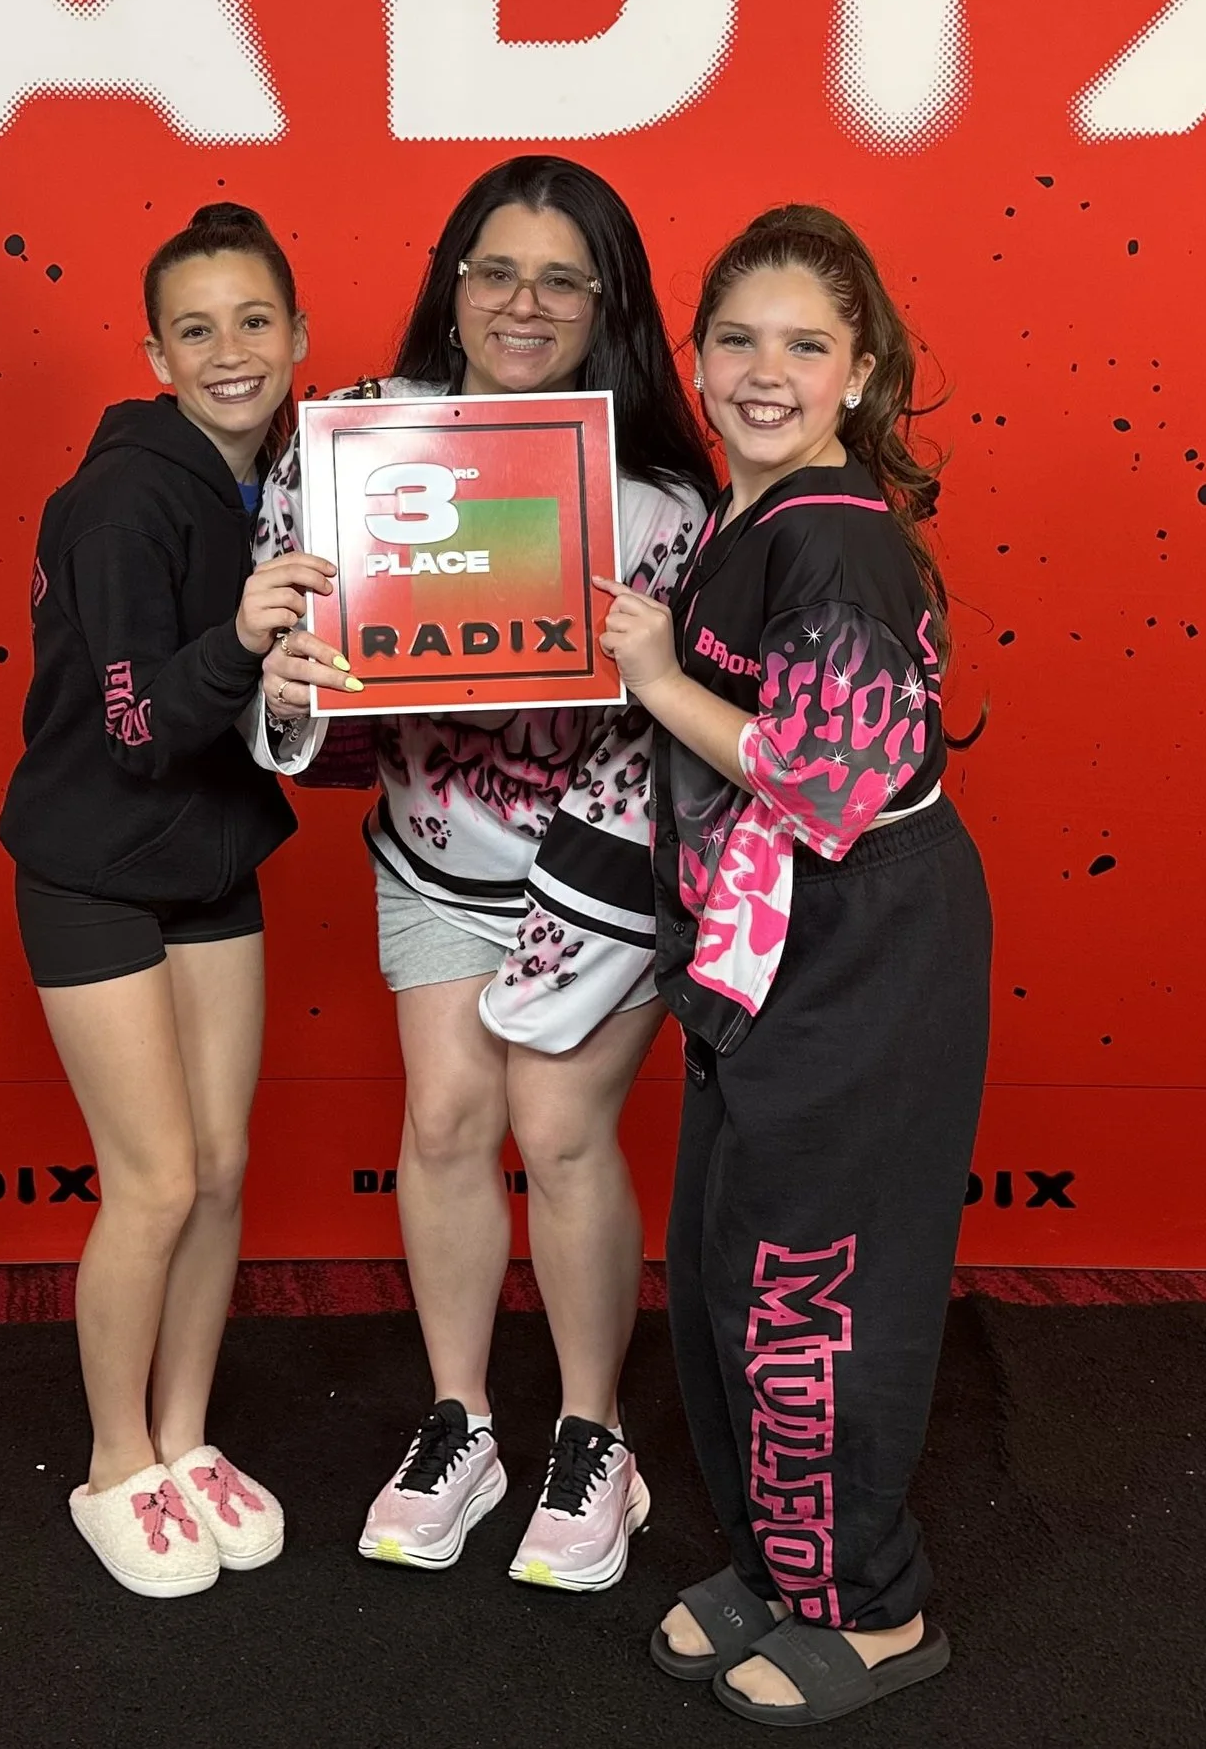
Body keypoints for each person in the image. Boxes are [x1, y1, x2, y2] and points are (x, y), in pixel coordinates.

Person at [255, 154, 714, 1592]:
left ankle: (595, 1435)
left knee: (560, 1133)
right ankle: (461, 1421)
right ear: (451, 288)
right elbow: (291, 695)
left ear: (607, 306)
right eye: (496, 270)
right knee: (449, 1122)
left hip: (603, 858)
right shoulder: (352, 447)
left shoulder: (665, 504)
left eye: (562, 278)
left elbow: (708, 727)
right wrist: (285, 660)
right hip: (436, 847)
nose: (526, 301)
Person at [593, 204, 989, 1723]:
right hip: (767, 956)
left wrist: (653, 678)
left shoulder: (837, 543)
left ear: (862, 370)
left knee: (814, 1290)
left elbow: (830, 785)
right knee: (725, 1277)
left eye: (806, 345)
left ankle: (873, 1609)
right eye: (739, 341)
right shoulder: (750, 519)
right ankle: (781, 1562)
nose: (767, 372)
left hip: (863, 949)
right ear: (695, 357)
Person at [0, 202, 336, 1598]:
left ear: (298, 335)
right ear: (155, 354)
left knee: (222, 1169)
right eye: (196, 330)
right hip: (91, 870)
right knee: (152, 1181)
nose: (231, 350)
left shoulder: (286, 480)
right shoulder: (123, 497)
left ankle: (189, 1439)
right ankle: (115, 1464)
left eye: (255, 320)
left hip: (206, 865)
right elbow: (136, 723)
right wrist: (245, 642)